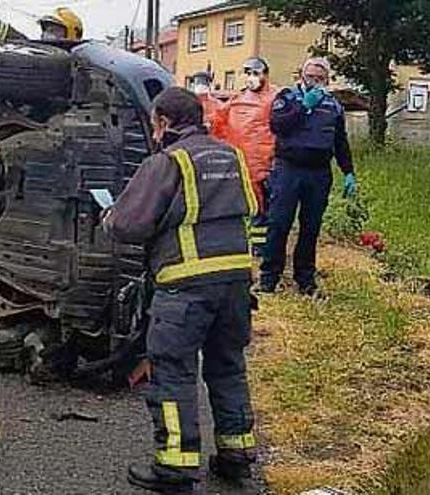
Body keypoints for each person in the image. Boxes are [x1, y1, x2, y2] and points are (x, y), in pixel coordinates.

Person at [103, 88, 258, 493]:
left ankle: (175, 468)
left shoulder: (168, 162)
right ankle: (236, 456)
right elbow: (252, 209)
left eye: (155, 123)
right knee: (228, 367)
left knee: (173, 373)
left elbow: (128, 225)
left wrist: (109, 217)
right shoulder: (232, 155)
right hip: (237, 281)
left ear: (164, 122)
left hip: (186, 287)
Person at [259, 57, 356, 296]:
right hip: (288, 169)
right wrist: (304, 107)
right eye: (310, 76)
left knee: (310, 227)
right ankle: (269, 278)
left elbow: (340, 141)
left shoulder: (333, 105)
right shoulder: (287, 98)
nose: (314, 82)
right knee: (279, 223)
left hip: (319, 173)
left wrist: (348, 172)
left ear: (327, 81)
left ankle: (305, 279)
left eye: (320, 78)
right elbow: (278, 126)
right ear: (301, 76)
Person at [210, 57, 278, 254]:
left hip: (268, 165)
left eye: (255, 73)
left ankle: (265, 247)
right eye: (247, 73)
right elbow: (217, 122)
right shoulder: (237, 99)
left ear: (265, 74)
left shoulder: (276, 96)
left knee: (267, 210)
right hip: (242, 165)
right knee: (250, 210)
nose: (251, 78)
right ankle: (255, 246)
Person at [0, 6, 83, 42]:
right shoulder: (42, 54)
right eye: (47, 29)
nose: (48, 34)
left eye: (55, 30)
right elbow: (21, 42)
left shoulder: (80, 62)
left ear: (73, 33)